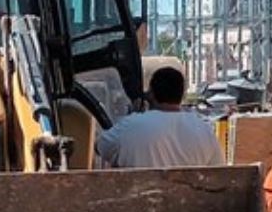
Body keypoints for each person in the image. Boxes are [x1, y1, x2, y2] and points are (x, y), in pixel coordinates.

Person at [95, 67, 224, 168]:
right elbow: (218, 170)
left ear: (151, 93)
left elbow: (99, 147)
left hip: (140, 200)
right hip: (188, 201)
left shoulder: (130, 125)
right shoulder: (204, 130)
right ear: (181, 95)